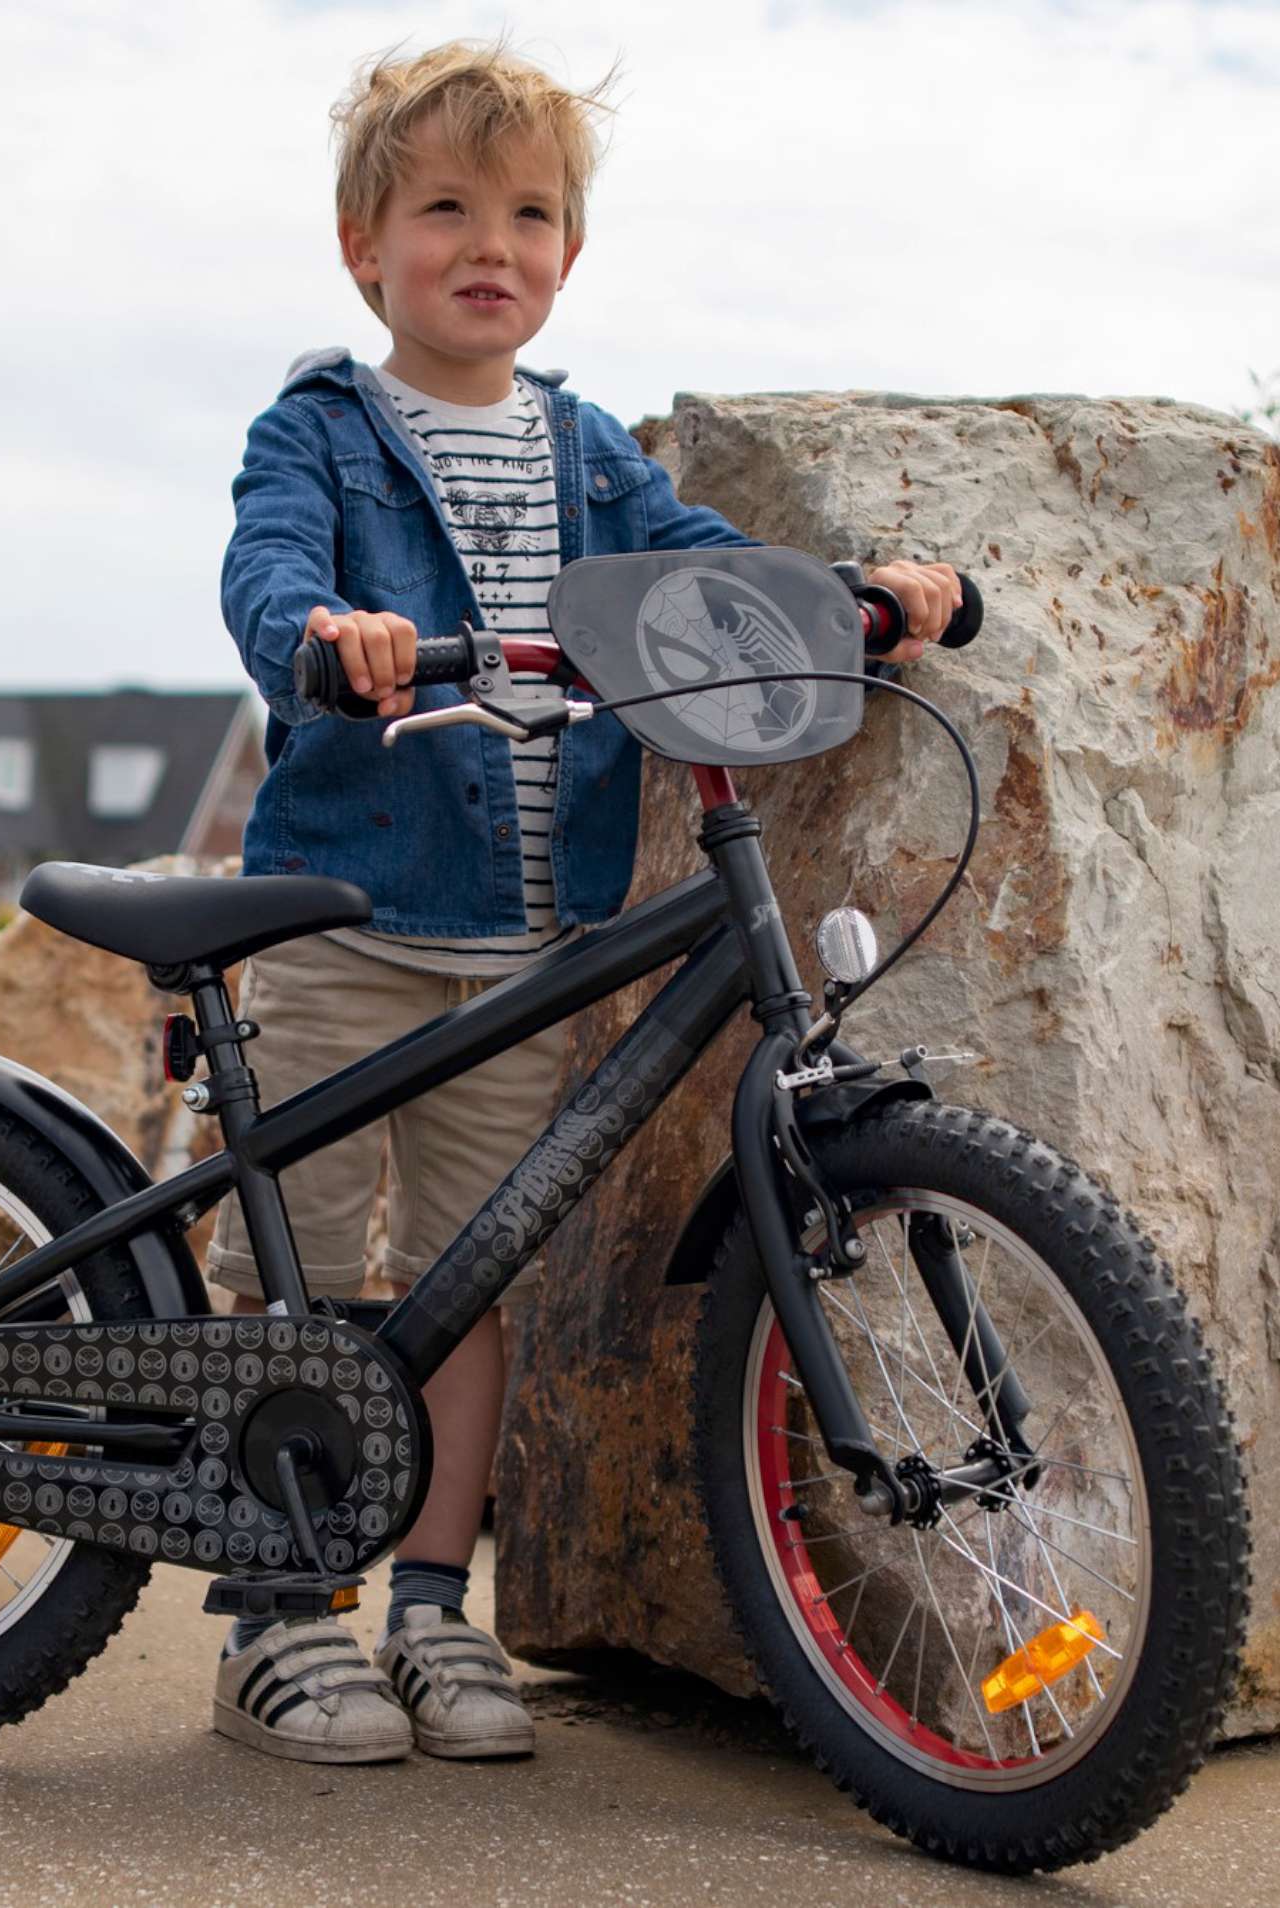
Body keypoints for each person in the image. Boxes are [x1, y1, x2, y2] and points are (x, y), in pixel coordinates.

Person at [208, 38, 962, 1766]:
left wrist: (854, 598)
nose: (494, 242)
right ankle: (278, 1611)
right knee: (313, 1280)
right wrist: (327, 638)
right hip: (336, 919)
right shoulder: (319, 426)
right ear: (362, 246)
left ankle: (425, 1605)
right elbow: (267, 566)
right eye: (448, 208)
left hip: (516, 951)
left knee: (466, 1289)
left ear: (568, 256)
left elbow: (700, 562)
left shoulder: (584, 451)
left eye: (531, 213)